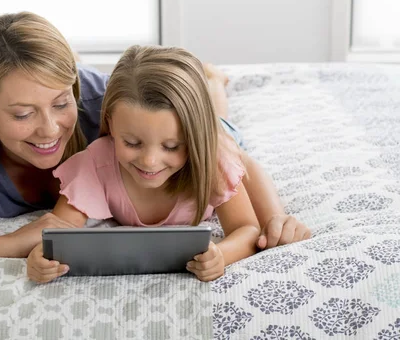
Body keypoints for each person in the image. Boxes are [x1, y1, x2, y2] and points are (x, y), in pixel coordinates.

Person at [0, 12, 309, 275]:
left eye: (59, 103)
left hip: (204, 136)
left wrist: (272, 220)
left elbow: (224, 157)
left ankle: (214, 83)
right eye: (23, 114)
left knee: (215, 124)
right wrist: (9, 244)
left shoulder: (104, 106)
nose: (49, 130)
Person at [27, 45, 261, 283]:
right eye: (132, 143)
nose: (149, 161)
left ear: (194, 139)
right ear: (111, 123)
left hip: (219, 134)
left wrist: (221, 254)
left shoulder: (214, 158)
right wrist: (42, 259)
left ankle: (215, 81)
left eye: (171, 146)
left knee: (221, 121)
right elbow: (60, 236)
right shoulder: (94, 164)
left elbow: (247, 229)